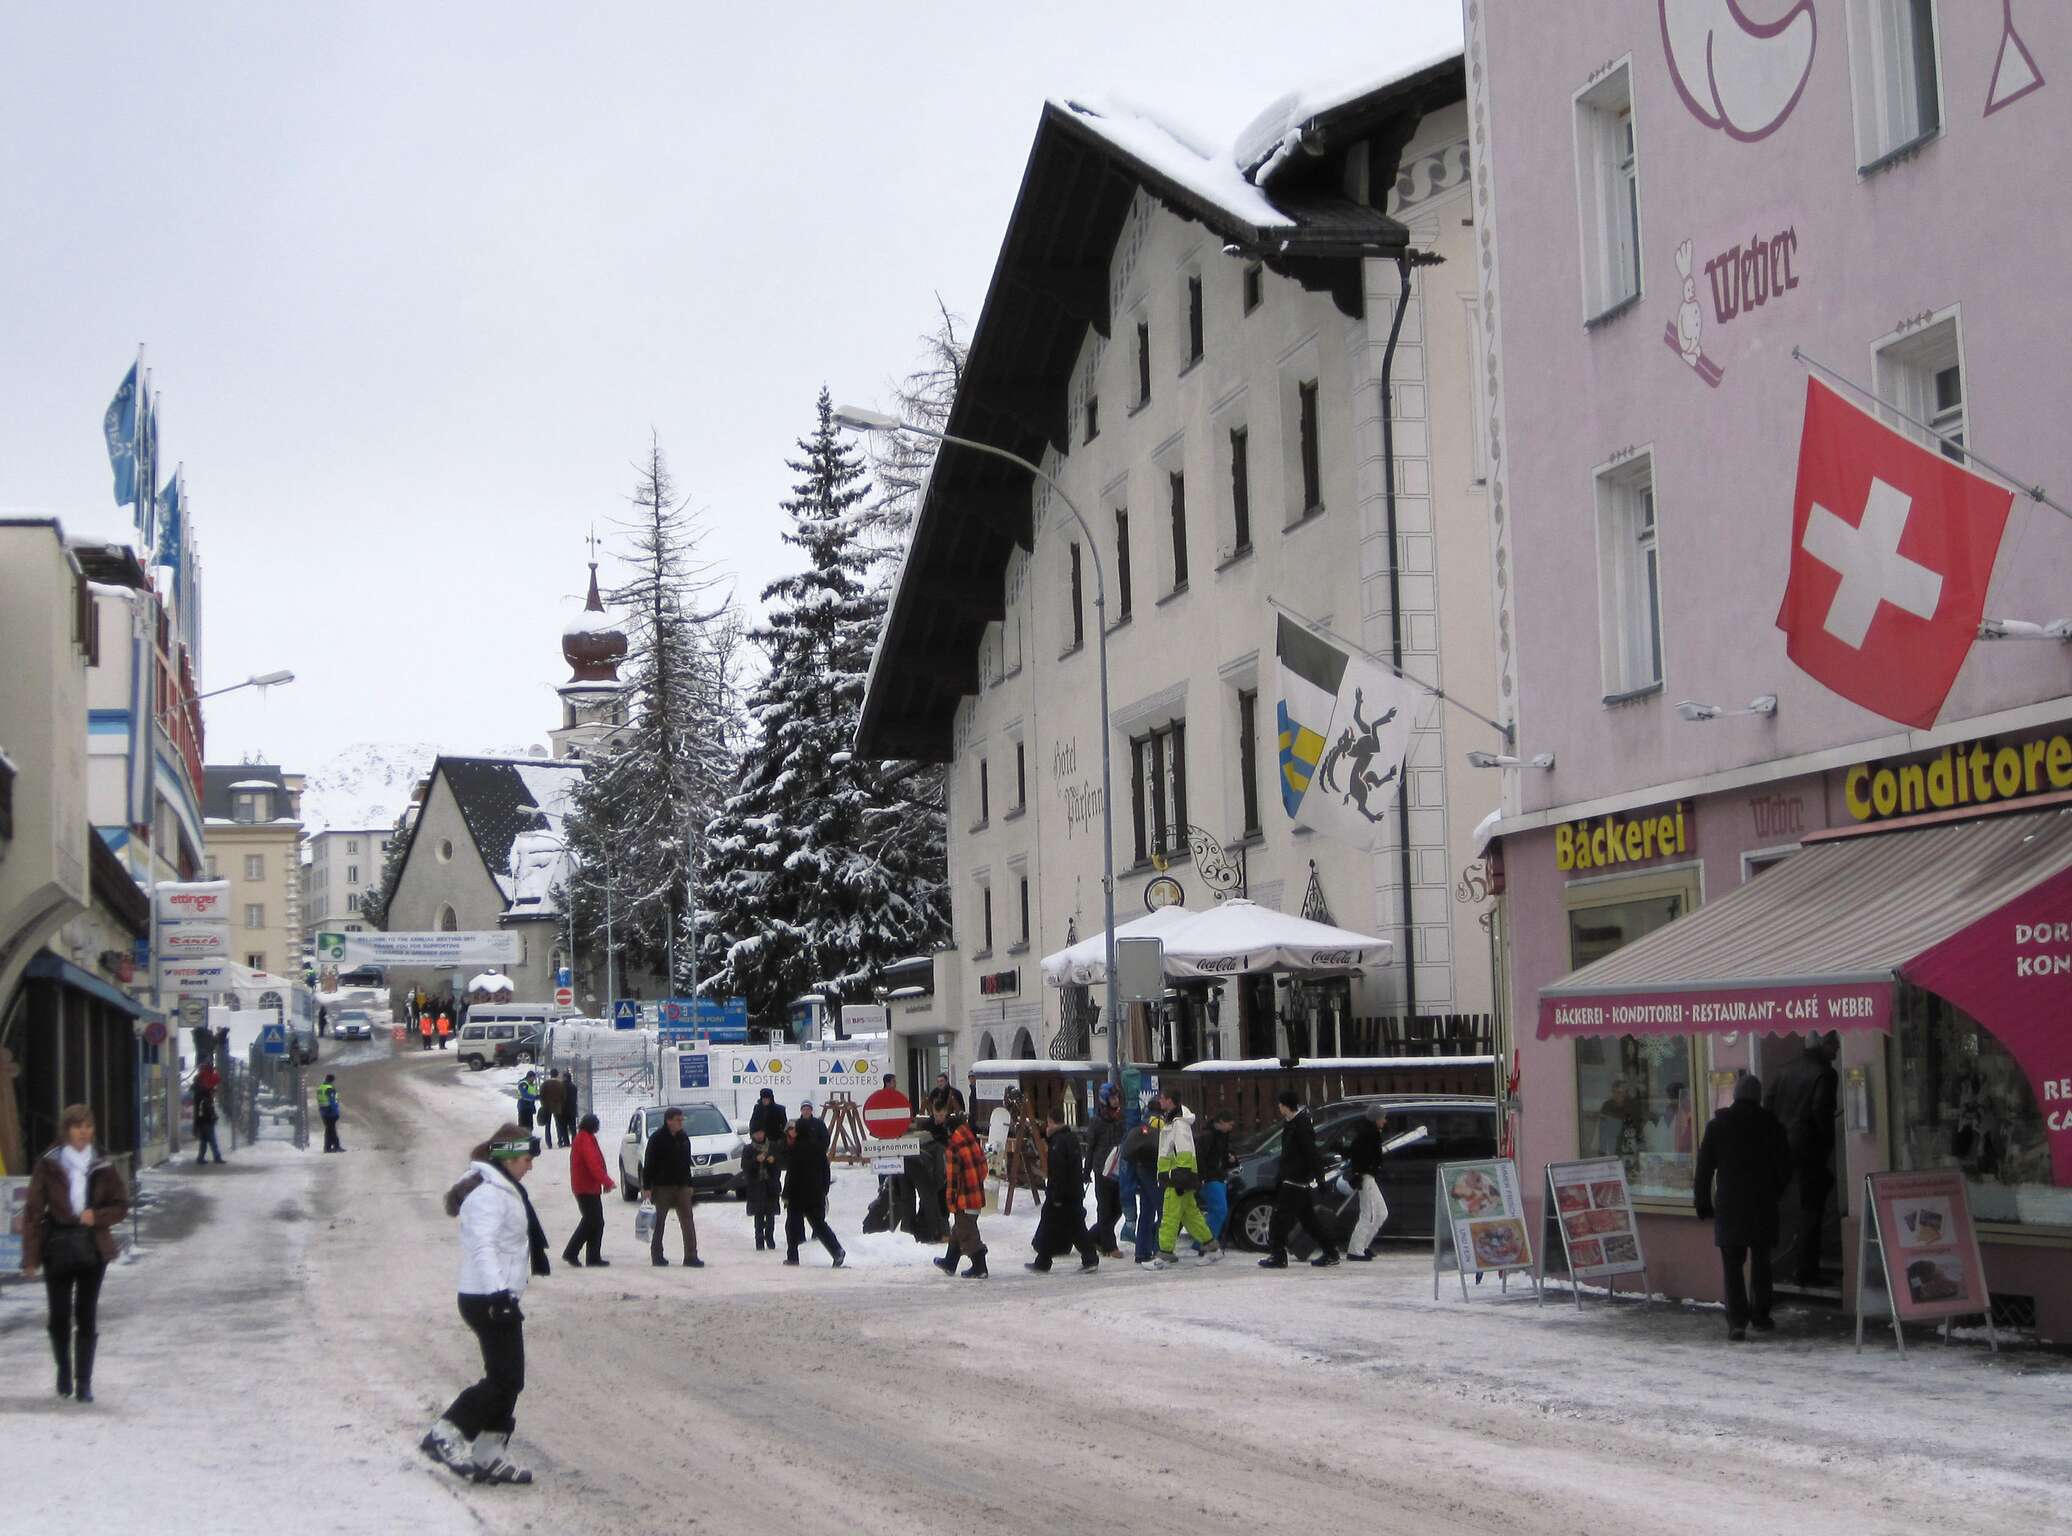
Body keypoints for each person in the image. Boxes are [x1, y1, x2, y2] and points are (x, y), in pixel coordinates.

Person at [420, 1123, 549, 1484]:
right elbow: (483, 1247)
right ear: (507, 1156)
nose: (531, 1166)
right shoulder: (487, 1195)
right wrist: (498, 1294)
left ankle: (489, 1452)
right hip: (486, 1298)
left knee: (510, 1379)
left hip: (499, 1296)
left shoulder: (503, 1189)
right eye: (527, 1158)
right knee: (503, 1378)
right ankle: (446, 1433)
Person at [22, 1105, 129, 1402]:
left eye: (88, 1126)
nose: (83, 1132)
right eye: (77, 1126)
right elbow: (32, 1211)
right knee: (58, 1315)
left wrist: (98, 1216)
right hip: (56, 1244)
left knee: (86, 1313)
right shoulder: (48, 1164)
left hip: (92, 1247)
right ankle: (63, 1368)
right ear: (66, 1130)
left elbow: (121, 1205)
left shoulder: (102, 1165)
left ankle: (84, 1382)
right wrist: (30, 1258)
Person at [1695, 1073, 1793, 1341]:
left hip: (1730, 1205)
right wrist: (1776, 1191)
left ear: (1736, 1095)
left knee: (1732, 1264)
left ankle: (1737, 1321)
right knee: (1762, 1262)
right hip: (1763, 1204)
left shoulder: (1718, 1126)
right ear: (1758, 1097)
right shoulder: (1771, 1125)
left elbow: (1704, 1169)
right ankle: (1760, 1316)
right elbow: (1785, 1166)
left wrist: (1702, 1203)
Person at [1765, 1032, 1841, 1286]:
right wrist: (1826, 1145)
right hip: (1809, 1149)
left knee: (1780, 1205)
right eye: (1834, 1043)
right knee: (1812, 1209)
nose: (1838, 1049)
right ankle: (1806, 1270)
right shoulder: (1825, 1074)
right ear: (1823, 1045)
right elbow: (1821, 1112)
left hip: (1782, 1148)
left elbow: (1768, 1105)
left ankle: (1771, 1266)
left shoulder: (1783, 1070)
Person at [1261, 1092, 1339, 1269]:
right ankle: (1331, 1252)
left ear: (1286, 1106)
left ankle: (1278, 1256)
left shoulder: (1300, 1125)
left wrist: (1320, 1180)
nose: (1278, 1108)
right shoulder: (1291, 1124)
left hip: (1295, 1181)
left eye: (1280, 1105)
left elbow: (1311, 1153)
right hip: (1292, 1180)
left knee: (1279, 1219)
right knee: (1309, 1220)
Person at [1149, 1093, 1220, 1269]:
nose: (1160, 1101)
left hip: (1176, 1179)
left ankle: (1165, 1254)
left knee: (1170, 1216)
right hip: (1180, 1178)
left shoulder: (1178, 1124)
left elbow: (1184, 1152)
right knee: (1191, 1216)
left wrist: (1179, 1178)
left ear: (1170, 1101)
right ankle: (1211, 1247)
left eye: (1162, 1098)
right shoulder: (1174, 1122)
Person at [1027, 1105, 1099, 1274]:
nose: (1046, 1127)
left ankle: (1043, 1261)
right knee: (1075, 1228)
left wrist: (1056, 1195)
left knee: (1050, 1224)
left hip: (1061, 1194)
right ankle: (1089, 1258)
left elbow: (1058, 1171)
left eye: (1047, 1123)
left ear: (1051, 1122)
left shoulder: (1057, 1143)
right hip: (1073, 1192)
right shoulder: (1070, 1138)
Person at [781, 1112, 845, 1267]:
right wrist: (824, 1190)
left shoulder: (796, 1149)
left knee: (792, 1226)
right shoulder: (818, 1148)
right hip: (816, 1195)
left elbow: (792, 1175)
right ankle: (837, 1250)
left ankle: (793, 1257)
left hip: (798, 1196)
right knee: (819, 1225)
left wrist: (786, 1194)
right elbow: (826, 1171)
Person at [641, 1107, 702, 1268]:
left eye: (682, 1120)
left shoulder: (683, 1138)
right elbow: (649, 1164)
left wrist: (689, 1184)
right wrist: (647, 1186)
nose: (681, 1123)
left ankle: (691, 1255)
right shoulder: (657, 1139)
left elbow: (686, 1163)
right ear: (669, 1121)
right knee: (659, 1221)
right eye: (678, 1120)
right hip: (662, 1186)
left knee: (688, 1221)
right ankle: (657, 1254)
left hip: (682, 1185)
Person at [935, 1110, 989, 1279]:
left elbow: (953, 1179)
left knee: (967, 1233)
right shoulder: (972, 1140)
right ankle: (950, 1262)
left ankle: (980, 1268)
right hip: (976, 1195)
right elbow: (983, 1169)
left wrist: (950, 1201)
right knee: (959, 1229)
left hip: (964, 1199)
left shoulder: (953, 1147)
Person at [561, 1113, 614, 1267]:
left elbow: (596, 1163)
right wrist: (607, 1181)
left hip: (588, 1186)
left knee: (595, 1222)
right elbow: (593, 1164)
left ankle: (592, 1257)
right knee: (592, 1221)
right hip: (585, 1187)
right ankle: (572, 1253)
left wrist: (603, 1181)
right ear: (593, 1125)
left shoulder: (586, 1138)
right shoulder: (585, 1139)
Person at [1082, 1084, 1126, 1258]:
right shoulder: (1097, 1121)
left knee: (1118, 1208)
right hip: (1102, 1171)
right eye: (1112, 1098)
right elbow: (1090, 1148)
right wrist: (1086, 1172)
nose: (1116, 1100)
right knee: (1105, 1209)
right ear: (1104, 1100)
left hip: (1118, 1169)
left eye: (1117, 1097)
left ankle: (1094, 1236)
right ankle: (1109, 1246)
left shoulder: (1121, 1118)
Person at [1342, 1105, 1390, 1261]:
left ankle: (1363, 1245)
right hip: (1365, 1177)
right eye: (1382, 1117)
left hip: (1370, 1176)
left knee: (1382, 1212)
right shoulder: (1367, 1135)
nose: (1385, 1120)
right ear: (1376, 1119)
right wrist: (1357, 1174)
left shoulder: (1373, 1133)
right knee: (1367, 1214)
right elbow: (1357, 1155)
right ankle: (1355, 1250)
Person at [1122, 1107, 1163, 1266]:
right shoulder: (1158, 1122)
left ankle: (1141, 1252)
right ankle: (1159, 1248)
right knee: (1162, 1210)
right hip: (1154, 1171)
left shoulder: (1140, 1125)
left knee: (1146, 1212)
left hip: (1140, 1170)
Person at [1197, 1107, 1237, 1247]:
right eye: (1230, 1124)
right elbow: (1200, 1157)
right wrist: (1202, 1177)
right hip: (1210, 1177)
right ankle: (1206, 1240)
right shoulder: (1208, 1136)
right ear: (1221, 1122)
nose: (1231, 1127)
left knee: (1217, 1210)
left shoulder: (1221, 1135)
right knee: (1220, 1210)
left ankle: (1205, 1239)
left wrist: (1230, 1158)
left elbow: (1223, 1153)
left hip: (1217, 1176)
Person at [741, 1126, 783, 1250]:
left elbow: (781, 1162)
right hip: (756, 1185)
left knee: (770, 1213)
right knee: (758, 1214)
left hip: (770, 1184)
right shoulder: (748, 1149)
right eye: (756, 1133)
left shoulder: (772, 1146)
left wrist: (773, 1160)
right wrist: (755, 1160)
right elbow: (744, 1165)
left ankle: (769, 1237)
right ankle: (759, 1239)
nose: (759, 1135)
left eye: (761, 1132)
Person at [194, 1067, 225, 1165]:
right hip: (207, 1122)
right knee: (212, 1141)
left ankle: (200, 1158)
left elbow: (200, 1111)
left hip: (201, 1122)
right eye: (214, 1092)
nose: (214, 1094)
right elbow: (208, 1111)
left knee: (204, 1142)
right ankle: (217, 1157)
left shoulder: (200, 1096)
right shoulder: (206, 1099)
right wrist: (213, 1117)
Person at [316, 1073, 344, 1153]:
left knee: (329, 1130)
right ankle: (335, 1147)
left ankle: (328, 1147)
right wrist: (335, 1111)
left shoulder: (320, 1088)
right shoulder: (329, 1088)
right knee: (331, 1130)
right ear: (332, 1080)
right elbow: (332, 1101)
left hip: (323, 1111)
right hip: (330, 1112)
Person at [536, 1072, 564, 1150]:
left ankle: (549, 1143)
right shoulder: (560, 1084)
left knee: (547, 1126)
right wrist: (560, 1104)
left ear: (550, 1075)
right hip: (557, 1106)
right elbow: (564, 1096)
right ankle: (560, 1141)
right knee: (558, 1125)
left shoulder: (545, 1084)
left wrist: (543, 1104)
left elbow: (541, 1095)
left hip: (546, 1106)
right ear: (557, 1075)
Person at [557, 1071, 579, 1149]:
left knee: (563, 1127)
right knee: (573, 1127)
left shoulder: (560, 1086)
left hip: (562, 1110)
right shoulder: (574, 1087)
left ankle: (566, 1142)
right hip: (572, 1110)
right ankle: (574, 1142)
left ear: (564, 1078)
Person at [515, 1072, 539, 1136]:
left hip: (529, 1107)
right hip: (523, 1106)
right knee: (523, 1125)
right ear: (529, 1077)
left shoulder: (531, 1084)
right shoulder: (523, 1083)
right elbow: (524, 1095)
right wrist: (536, 1097)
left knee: (530, 1125)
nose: (534, 1079)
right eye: (533, 1078)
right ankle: (521, 1139)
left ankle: (529, 1138)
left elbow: (533, 1095)